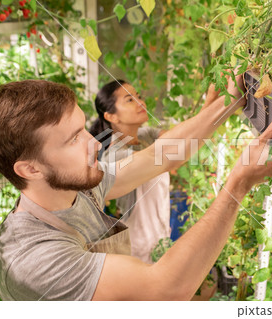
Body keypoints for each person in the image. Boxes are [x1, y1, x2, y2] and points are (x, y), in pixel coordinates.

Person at [0, 75, 272, 300]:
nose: (94, 143)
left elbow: (159, 156)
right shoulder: (31, 258)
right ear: (30, 169)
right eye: (72, 140)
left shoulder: (75, 188)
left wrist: (230, 103)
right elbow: (164, 290)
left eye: (82, 129)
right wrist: (237, 185)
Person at [88, 80, 221, 263]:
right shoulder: (115, 156)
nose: (141, 102)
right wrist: (219, 105)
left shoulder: (145, 135)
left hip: (159, 239)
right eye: (130, 100)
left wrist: (213, 102)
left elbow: (185, 140)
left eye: (139, 96)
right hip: (137, 250)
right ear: (111, 116)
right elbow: (174, 156)